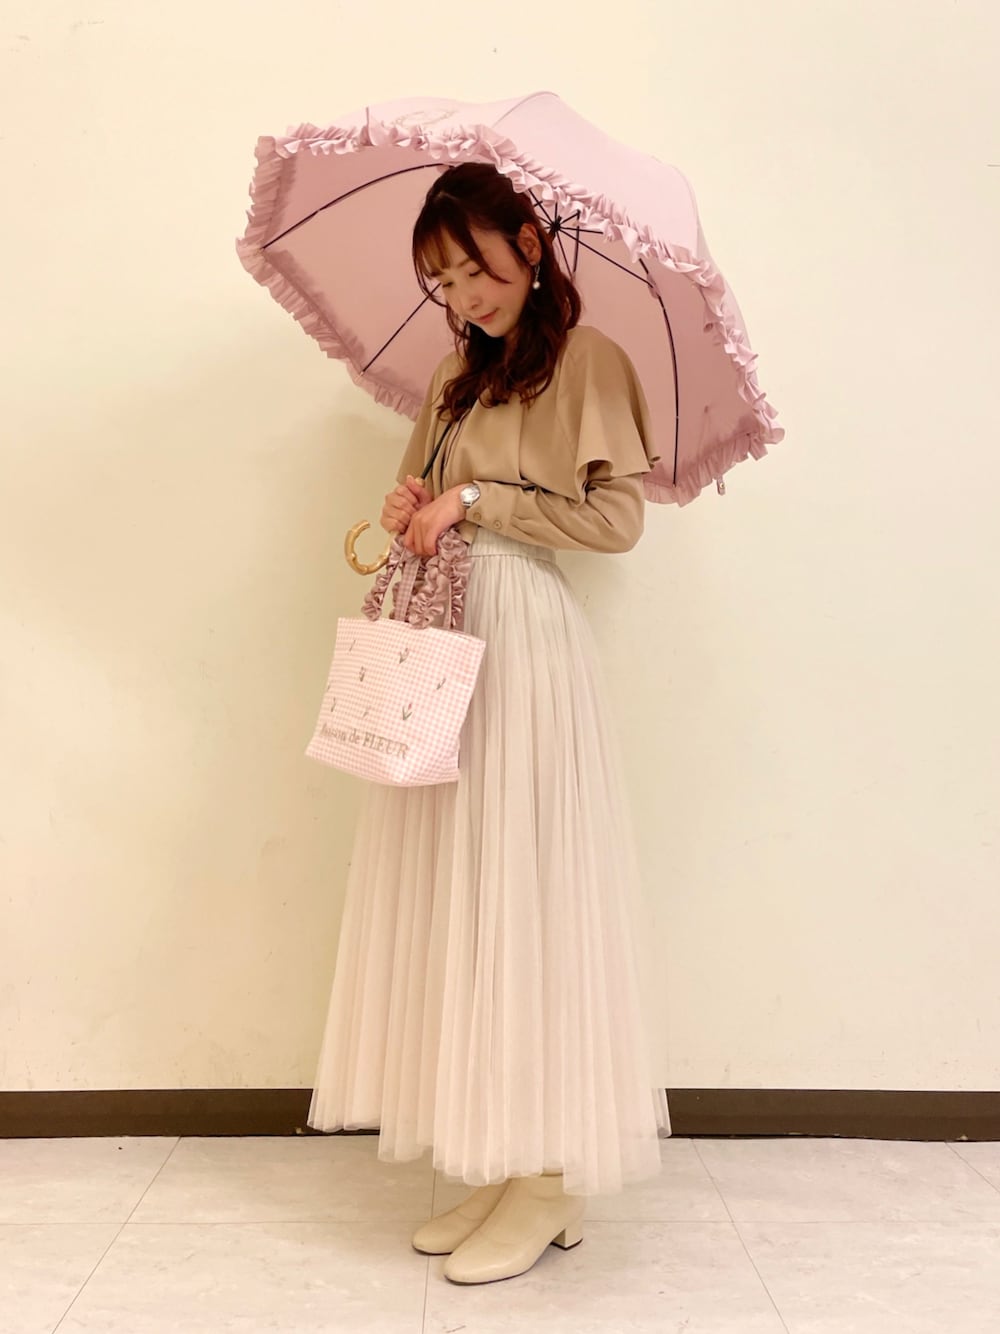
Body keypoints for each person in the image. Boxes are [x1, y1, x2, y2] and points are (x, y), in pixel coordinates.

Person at [307, 162, 671, 1286]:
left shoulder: (590, 361)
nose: (466, 294)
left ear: (530, 243)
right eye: (444, 279)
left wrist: (479, 499)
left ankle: (553, 1177)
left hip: (527, 643)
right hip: (448, 637)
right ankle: (512, 1164)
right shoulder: (454, 378)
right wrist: (414, 504)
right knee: (470, 893)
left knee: (532, 891)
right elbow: (425, 498)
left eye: (476, 267)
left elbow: (615, 521)